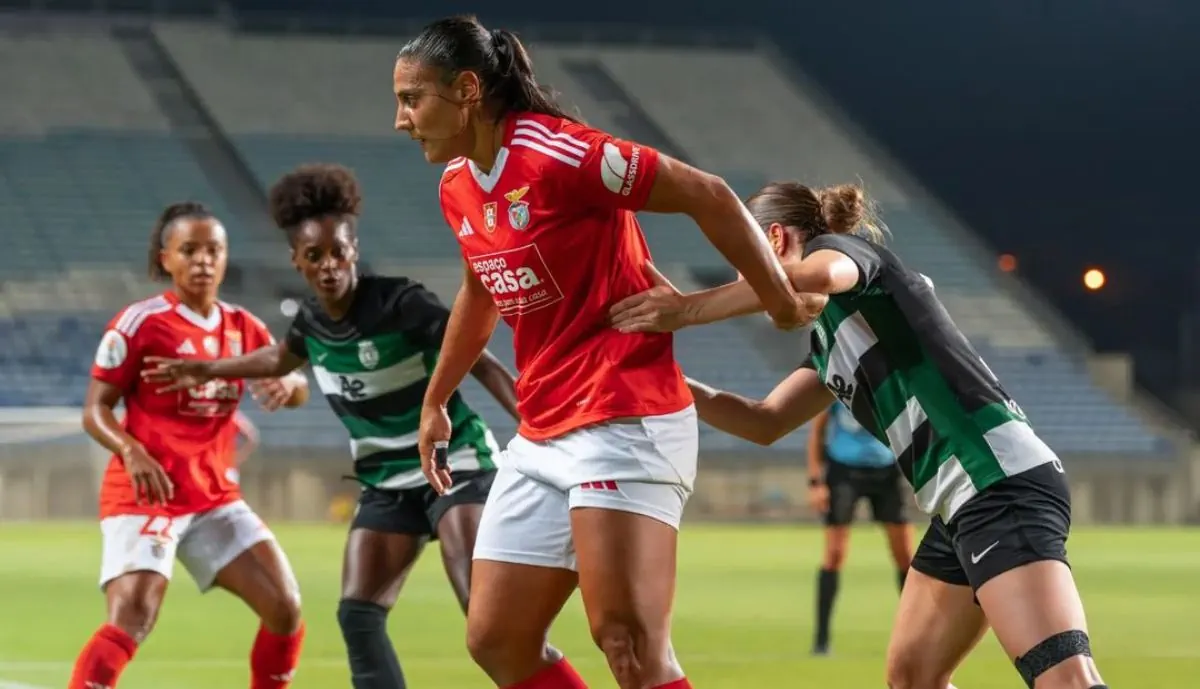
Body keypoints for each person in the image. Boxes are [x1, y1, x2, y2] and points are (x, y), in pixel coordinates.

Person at [393, 15, 806, 689]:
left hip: (626, 418)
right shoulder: (458, 187)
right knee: (498, 639)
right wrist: (437, 397)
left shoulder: (563, 155)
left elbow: (708, 193)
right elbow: (481, 289)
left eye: (412, 99)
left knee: (628, 643)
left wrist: (780, 300)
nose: (401, 119)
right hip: (543, 428)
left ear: (467, 89)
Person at [609, 181, 1108, 689]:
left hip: (998, 481)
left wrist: (689, 309)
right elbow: (764, 421)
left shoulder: (846, 254)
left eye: (745, 258)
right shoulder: (830, 340)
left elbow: (822, 273)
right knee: (913, 676)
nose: (745, 278)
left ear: (776, 239)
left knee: (1066, 679)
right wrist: (658, 380)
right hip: (959, 504)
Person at [142, 163, 525, 689]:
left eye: (338, 252)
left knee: (484, 614)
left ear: (354, 249)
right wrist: (203, 367)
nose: (328, 266)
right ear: (296, 261)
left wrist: (535, 422)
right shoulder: (311, 323)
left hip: (454, 464)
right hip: (385, 481)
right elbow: (277, 361)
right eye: (314, 256)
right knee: (358, 615)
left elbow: (481, 360)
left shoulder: (400, 302)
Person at [70, 202, 309, 689]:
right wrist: (131, 450)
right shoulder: (140, 324)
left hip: (214, 496)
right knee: (133, 616)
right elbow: (95, 410)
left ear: (225, 258)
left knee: (285, 608)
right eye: (190, 250)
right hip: (146, 492)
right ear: (166, 260)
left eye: (213, 250)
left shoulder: (243, 327)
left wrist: (290, 387)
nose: (203, 260)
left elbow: (296, 380)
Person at [806, 402, 913, 656]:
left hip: (887, 469)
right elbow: (817, 431)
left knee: (905, 556)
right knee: (834, 554)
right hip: (843, 471)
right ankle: (821, 641)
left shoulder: (887, 379)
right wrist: (815, 481)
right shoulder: (836, 379)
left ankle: (916, 637)